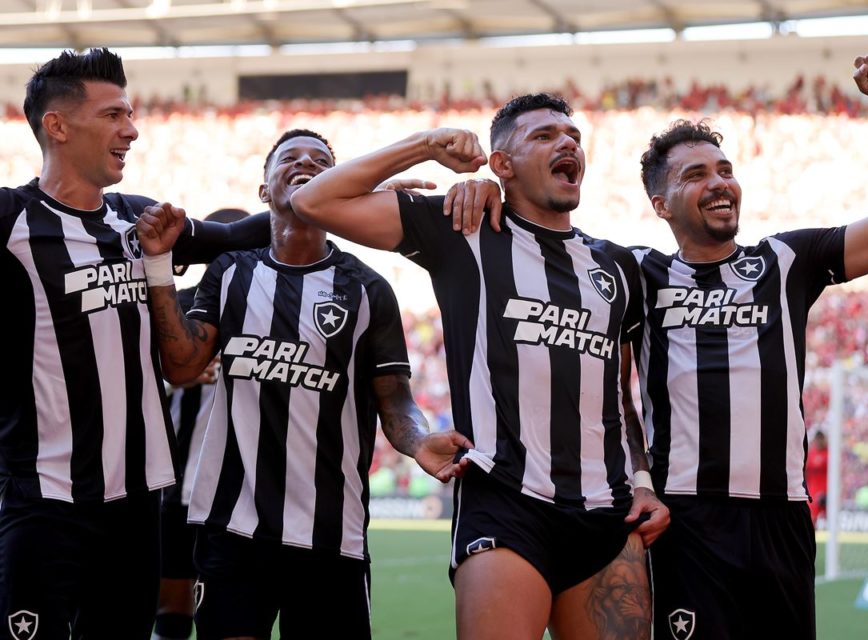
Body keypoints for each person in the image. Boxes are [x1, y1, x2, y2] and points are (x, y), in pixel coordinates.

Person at [288, 94, 670, 640]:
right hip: (504, 504)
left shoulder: (619, 266)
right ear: (502, 165)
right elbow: (314, 201)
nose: (567, 143)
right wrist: (426, 146)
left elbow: (619, 394)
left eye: (573, 136)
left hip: (609, 515)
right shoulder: (461, 228)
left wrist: (641, 480)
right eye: (543, 136)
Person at [628, 54, 868, 639]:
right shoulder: (637, 274)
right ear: (661, 205)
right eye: (695, 175)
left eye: (724, 169)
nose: (718, 182)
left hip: (783, 517)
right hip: (689, 520)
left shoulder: (786, 260)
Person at [136, 128, 472, 640]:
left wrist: (417, 438)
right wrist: (158, 263)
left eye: (321, 159)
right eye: (289, 157)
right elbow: (181, 367)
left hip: (329, 536)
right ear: (264, 189)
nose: (305, 162)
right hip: (231, 528)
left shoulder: (367, 290)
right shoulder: (229, 275)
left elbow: (395, 400)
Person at [0, 48, 269, 640]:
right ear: (58, 125)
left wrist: (361, 192)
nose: (133, 129)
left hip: (138, 504)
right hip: (44, 499)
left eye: (132, 113)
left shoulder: (141, 220)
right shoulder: (10, 219)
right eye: (114, 114)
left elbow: (240, 233)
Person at [153, 207, 251, 640]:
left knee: (231, 610)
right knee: (171, 606)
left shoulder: (270, 306)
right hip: (177, 485)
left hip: (239, 491)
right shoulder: (179, 305)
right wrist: (177, 373)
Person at [806, 430, 828, 527]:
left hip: (825, 491)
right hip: (812, 491)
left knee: (827, 518)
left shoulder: (829, 454)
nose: (819, 441)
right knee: (811, 519)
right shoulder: (811, 453)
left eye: (821, 439)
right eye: (817, 439)